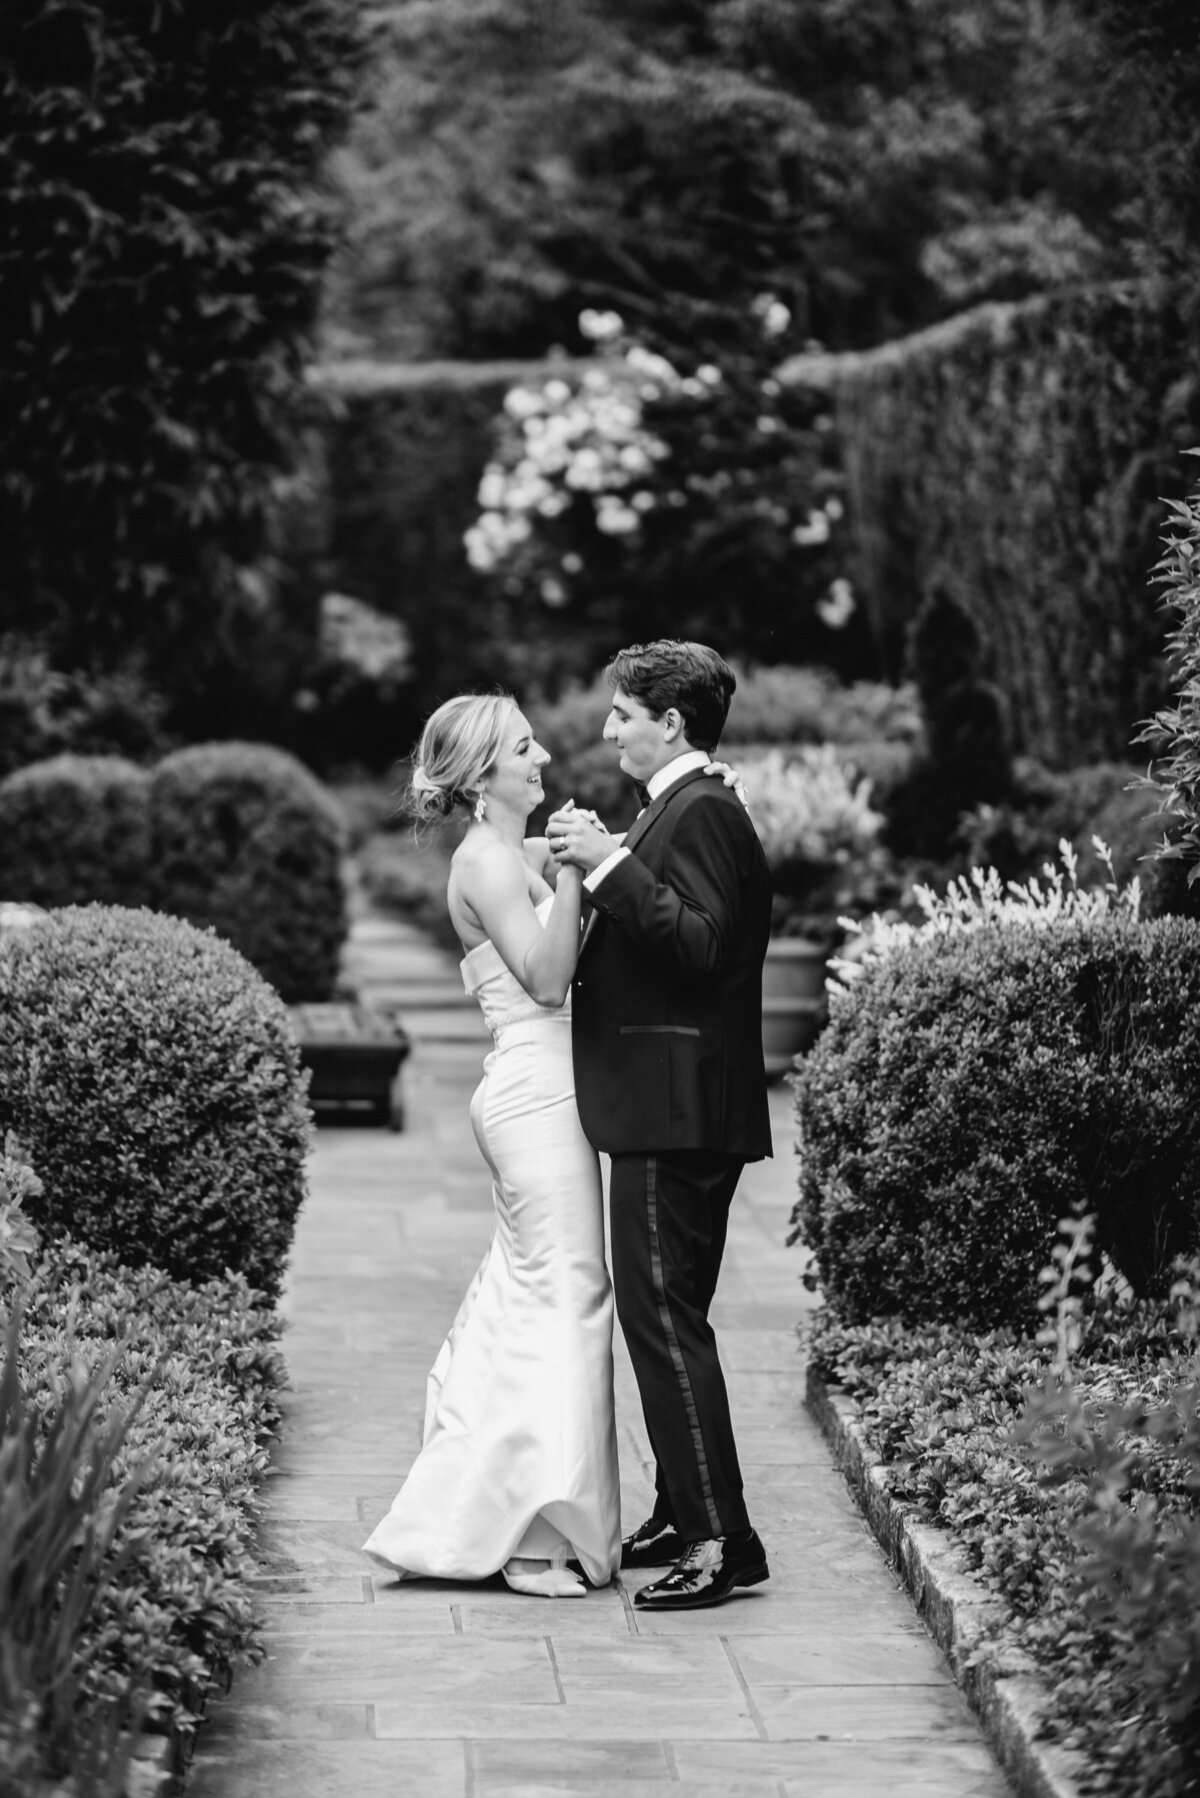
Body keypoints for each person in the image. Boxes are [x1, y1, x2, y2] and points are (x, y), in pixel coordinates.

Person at [361, 692, 621, 1598]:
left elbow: (564, 891)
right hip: (536, 1092)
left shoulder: (511, 853)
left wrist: (581, 853)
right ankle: (533, 1536)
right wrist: (583, 875)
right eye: (523, 748)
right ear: (483, 777)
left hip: (546, 1091)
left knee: (536, 1289)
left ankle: (492, 1508)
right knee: (567, 1289)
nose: (543, 755)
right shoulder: (488, 862)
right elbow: (549, 981)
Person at [546, 640, 773, 1611]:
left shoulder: (706, 809)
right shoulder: (679, 806)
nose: (608, 729)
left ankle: (724, 1540)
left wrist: (606, 866)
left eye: (622, 714)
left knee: (665, 1320)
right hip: (665, 1100)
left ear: (670, 722)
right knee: (664, 1316)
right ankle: (685, 1508)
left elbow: (705, 946)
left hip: (673, 1108)